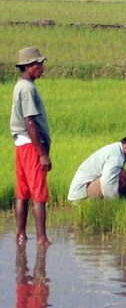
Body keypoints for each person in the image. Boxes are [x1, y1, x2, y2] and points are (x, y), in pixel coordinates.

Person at [9, 47, 51, 246]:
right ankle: (42, 239)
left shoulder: (20, 86)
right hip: (31, 146)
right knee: (39, 194)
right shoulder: (27, 88)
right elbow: (30, 122)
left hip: (21, 144)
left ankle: (21, 235)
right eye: (37, 64)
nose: (41, 67)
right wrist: (42, 154)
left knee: (23, 193)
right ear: (27, 66)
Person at [67, 134, 126, 201]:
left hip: (81, 191)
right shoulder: (116, 157)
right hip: (80, 195)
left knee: (122, 176)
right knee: (122, 176)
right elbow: (108, 183)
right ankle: (106, 205)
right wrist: (115, 205)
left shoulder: (115, 150)